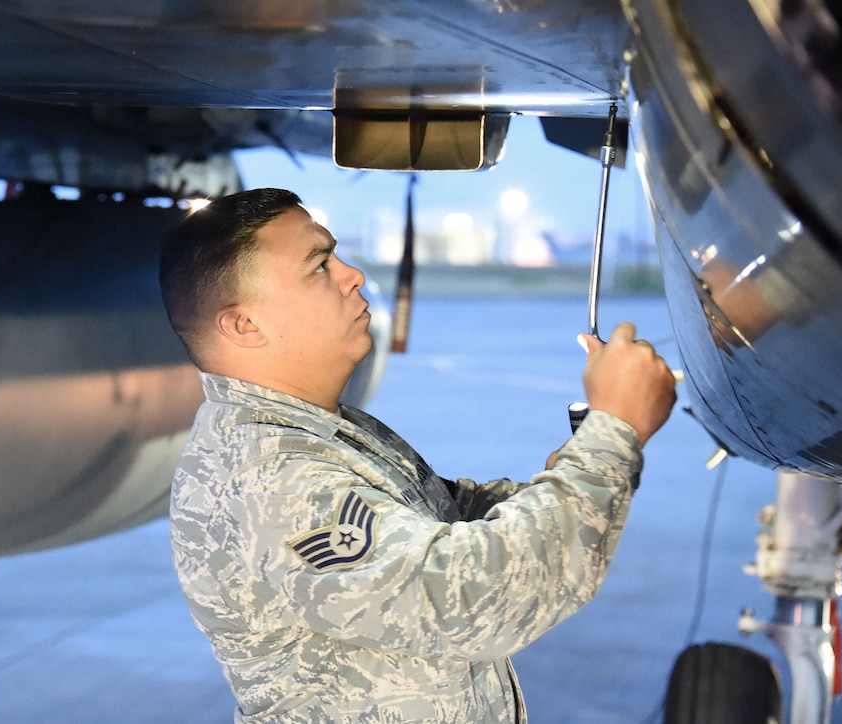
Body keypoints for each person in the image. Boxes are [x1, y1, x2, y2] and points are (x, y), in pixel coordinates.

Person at [159, 187, 677, 723]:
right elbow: (476, 597)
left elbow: (444, 518)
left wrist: (582, 464)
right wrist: (612, 434)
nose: (352, 275)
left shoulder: (318, 432)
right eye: (319, 266)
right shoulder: (267, 480)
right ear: (244, 325)